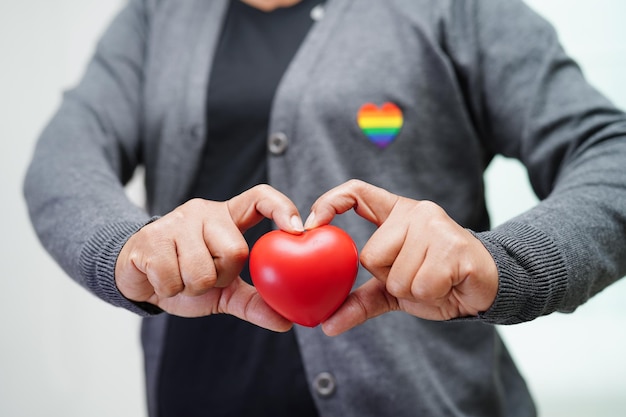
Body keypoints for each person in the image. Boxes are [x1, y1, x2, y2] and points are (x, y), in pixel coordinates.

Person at [23, 0, 626, 416]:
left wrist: (502, 262)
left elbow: (612, 156)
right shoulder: (158, 16)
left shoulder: (456, 8)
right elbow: (62, 158)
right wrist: (127, 250)